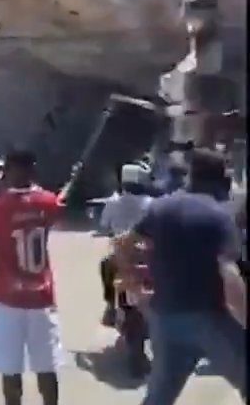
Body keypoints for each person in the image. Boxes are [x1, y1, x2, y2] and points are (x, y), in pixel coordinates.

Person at [115, 147, 247, 405]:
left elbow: (122, 244)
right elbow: (229, 274)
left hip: (165, 318)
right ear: (221, 180)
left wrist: (136, 290)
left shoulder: (160, 208)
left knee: (159, 396)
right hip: (209, 319)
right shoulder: (220, 217)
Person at [0, 150, 66, 405]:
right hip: (42, 297)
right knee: (46, 366)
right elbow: (55, 215)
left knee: (10, 368)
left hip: (7, 300)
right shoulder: (49, 202)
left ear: (7, 171)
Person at [98, 163, 154, 327]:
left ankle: (110, 307)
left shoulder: (113, 202)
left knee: (105, 267)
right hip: (149, 256)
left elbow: (104, 225)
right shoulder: (153, 204)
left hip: (122, 257)